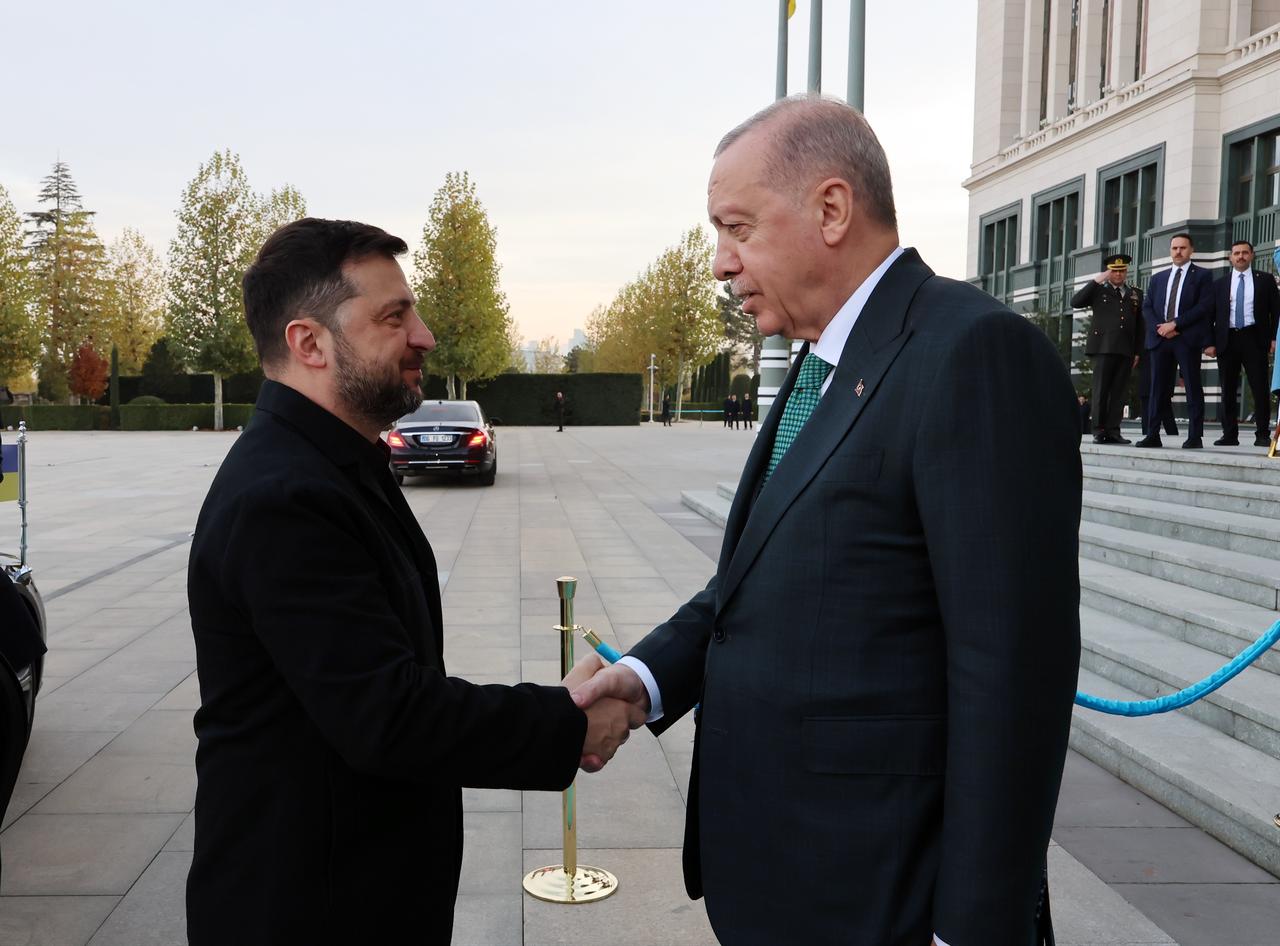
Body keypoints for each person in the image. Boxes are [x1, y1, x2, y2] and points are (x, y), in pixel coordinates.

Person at [571, 95, 1080, 946]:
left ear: (832, 209)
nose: (721, 264)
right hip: (782, 877)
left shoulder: (972, 354)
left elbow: (1012, 677)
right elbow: (756, 584)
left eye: (737, 227)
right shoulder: (825, 364)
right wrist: (646, 681)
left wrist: (975, 927)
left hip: (886, 897)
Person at [185, 219, 642, 946]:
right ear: (309, 343)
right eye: (394, 316)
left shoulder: (337, 462)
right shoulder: (283, 496)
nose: (424, 335)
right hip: (311, 909)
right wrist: (568, 721)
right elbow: (386, 716)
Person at [1136, 233, 1215, 449]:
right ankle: (1152, 434)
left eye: (1182, 248)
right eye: (1174, 248)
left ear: (1191, 250)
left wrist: (1176, 324)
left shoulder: (1202, 276)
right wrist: (1160, 328)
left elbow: (1204, 306)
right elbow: (1147, 307)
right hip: (1160, 339)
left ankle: (1194, 436)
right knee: (1157, 389)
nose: (1178, 252)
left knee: (1192, 386)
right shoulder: (1158, 278)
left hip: (1186, 339)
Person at [1208, 240, 1280, 447]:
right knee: (1227, 389)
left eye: (1245, 253)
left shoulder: (1265, 280)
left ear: (1252, 255)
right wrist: (1210, 343)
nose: (1240, 256)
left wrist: (1275, 339)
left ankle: (1262, 434)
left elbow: (1275, 312)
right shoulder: (1219, 284)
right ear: (1230, 257)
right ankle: (1229, 435)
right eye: (1236, 253)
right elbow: (1211, 316)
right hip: (1227, 340)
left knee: (1259, 388)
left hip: (1255, 339)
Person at [1071, 253, 1143, 444]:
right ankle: (1099, 430)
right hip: (1103, 347)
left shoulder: (1135, 293)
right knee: (1101, 390)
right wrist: (1097, 280)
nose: (1118, 275)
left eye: (1122, 271)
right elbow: (1075, 301)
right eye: (1114, 271)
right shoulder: (1098, 291)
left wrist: (1137, 351)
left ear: (1126, 272)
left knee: (1119, 392)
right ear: (1108, 272)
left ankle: (1114, 430)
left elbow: (1139, 325)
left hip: (1125, 349)